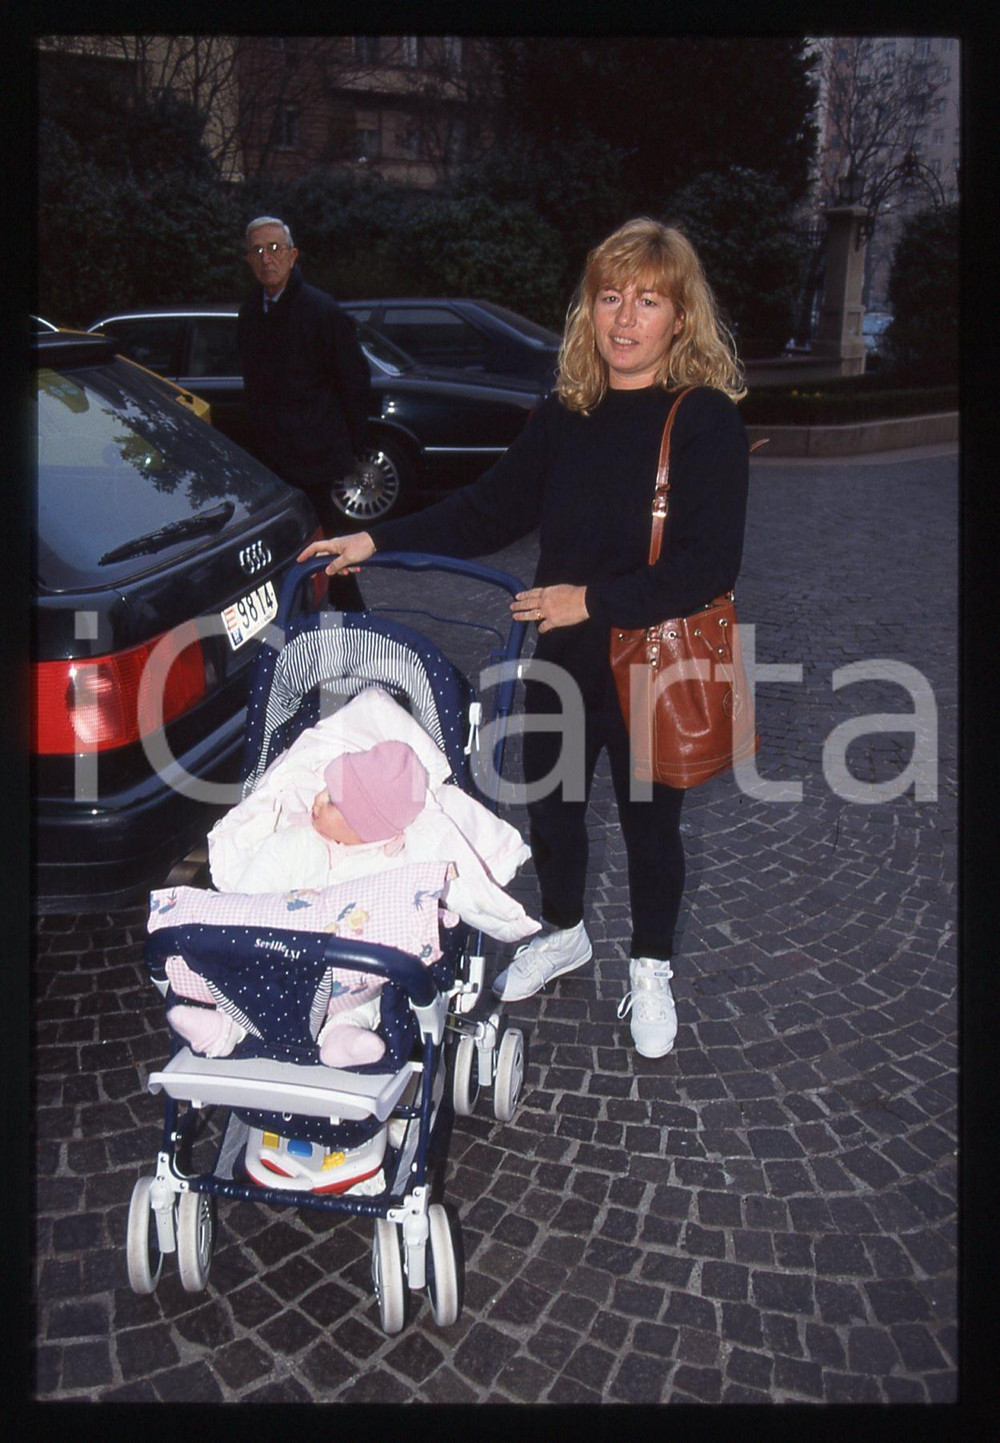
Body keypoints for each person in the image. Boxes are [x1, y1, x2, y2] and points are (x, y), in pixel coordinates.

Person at [298, 217, 750, 1060]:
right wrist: (374, 540)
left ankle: (650, 965)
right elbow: (488, 507)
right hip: (564, 653)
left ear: (680, 318)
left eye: (647, 300)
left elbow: (707, 565)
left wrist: (592, 599)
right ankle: (566, 929)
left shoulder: (704, 421)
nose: (624, 317)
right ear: (589, 308)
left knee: (652, 824)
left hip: (653, 655)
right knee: (556, 808)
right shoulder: (568, 413)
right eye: (609, 296)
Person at [237, 214, 372, 606]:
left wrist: (347, 451)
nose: (267, 258)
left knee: (334, 559)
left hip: (318, 464)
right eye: (258, 250)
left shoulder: (322, 312)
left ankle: (356, 635)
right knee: (282, 562)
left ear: (293, 255)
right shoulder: (249, 315)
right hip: (273, 468)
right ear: (248, 260)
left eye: (275, 248)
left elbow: (355, 383)